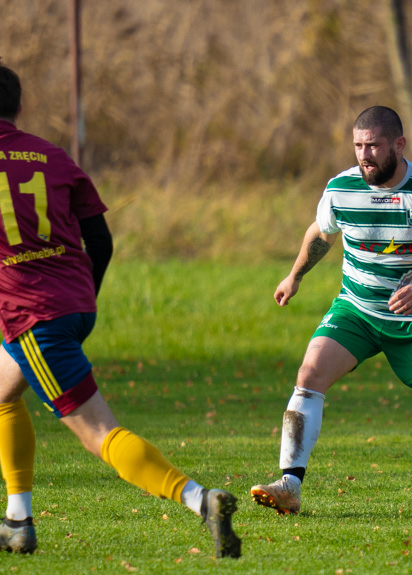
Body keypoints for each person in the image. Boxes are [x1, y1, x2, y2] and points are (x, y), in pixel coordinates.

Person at [0, 61, 241, 557]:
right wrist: (83, 296)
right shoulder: (52, 156)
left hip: (34, 319)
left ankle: (199, 499)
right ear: (18, 107)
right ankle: (18, 520)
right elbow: (101, 240)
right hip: (73, 305)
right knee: (2, 393)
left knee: (100, 434)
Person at [249, 106, 412, 516]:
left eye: (373, 146)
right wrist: (294, 276)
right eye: (358, 146)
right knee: (309, 375)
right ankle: (290, 484)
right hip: (357, 310)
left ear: (399, 145)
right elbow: (322, 233)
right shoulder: (340, 189)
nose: (364, 155)